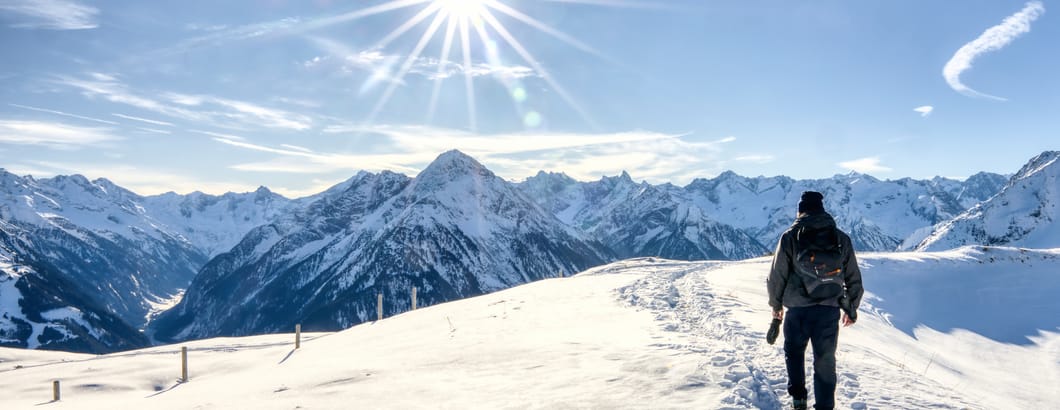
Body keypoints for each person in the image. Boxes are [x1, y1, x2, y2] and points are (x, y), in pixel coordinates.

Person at [767, 191, 864, 410]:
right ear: (822, 209)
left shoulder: (790, 236)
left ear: (800, 210)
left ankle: (799, 399)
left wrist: (776, 305)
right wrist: (851, 307)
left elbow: (778, 274)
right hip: (829, 310)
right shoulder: (840, 238)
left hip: (798, 310)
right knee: (825, 360)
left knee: (793, 353)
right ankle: (825, 406)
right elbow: (853, 277)